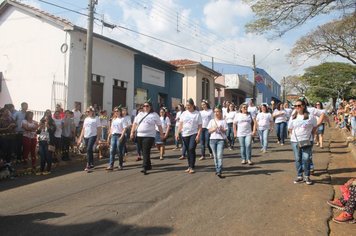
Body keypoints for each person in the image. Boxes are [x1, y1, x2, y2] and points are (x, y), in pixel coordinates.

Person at [130, 100, 164, 175]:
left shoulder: (154, 115)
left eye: (147, 106)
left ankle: (144, 167)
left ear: (150, 107)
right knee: (144, 151)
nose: (145, 107)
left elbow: (159, 125)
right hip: (139, 135)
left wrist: (161, 134)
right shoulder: (140, 114)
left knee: (145, 150)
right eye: (144, 106)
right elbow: (134, 124)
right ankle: (148, 165)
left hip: (149, 136)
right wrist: (132, 132)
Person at [288, 99, 317, 185]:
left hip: (307, 140)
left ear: (303, 106)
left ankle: (307, 176)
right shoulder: (293, 116)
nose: (297, 107)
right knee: (298, 159)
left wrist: (312, 135)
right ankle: (299, 176)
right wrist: (291, 135)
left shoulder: (310, 116)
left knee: (306, 158)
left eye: (299, 105)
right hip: (295, 141)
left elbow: (314, 126)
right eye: (295, 106)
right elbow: (290, 128)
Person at [176, 98, 202, 174]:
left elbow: (200, 126)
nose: (188, 106)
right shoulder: (184, 113)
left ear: (193, 105)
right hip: (184, 134)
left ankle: (192, 166)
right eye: (187, 105)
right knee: (188, 150)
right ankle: (189, 166)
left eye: (189, 105)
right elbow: (181, 124)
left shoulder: (197, 113)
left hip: (193, 133)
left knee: (191, 148)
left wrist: (198, 135)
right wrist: (177, 133)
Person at [77, 106, 102, 172]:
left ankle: (88, 165)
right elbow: (83, 129)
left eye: (89, 111)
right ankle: (92, 164)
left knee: (88, 149)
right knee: (89, 150)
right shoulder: (86, 119)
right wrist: (80, 138)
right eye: (87, 112)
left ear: (92, 111)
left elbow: (99, 129)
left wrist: (98, 138)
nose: (88, 113)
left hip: (93, 135)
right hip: (86, 136)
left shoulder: (96, 118)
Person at [208, 105, 228, 178]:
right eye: (215, 112)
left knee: (219, 156)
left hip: (220, 140)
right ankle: (217, 169)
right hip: (212, 140)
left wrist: (222, 129)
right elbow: (209, 131)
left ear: (221, 112)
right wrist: (214, 128)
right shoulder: (211, 121)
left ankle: (219, 171)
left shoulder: (223, 121)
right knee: (215, 156)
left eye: (218, 111)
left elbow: (225, 130)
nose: (216, 113)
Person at [106, 106, 127, 171]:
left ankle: (120, 165)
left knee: (119, 151)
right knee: (112, 151)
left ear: (120, 112)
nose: (116, 112)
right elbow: (111, 129)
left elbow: (124, 129)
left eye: (117, 111)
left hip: (119, 135)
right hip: (113, 135)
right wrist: (109, 136)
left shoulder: (122, 119)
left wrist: (121, 136)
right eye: (115, 111)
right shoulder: (113, 119)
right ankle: (111, 165)